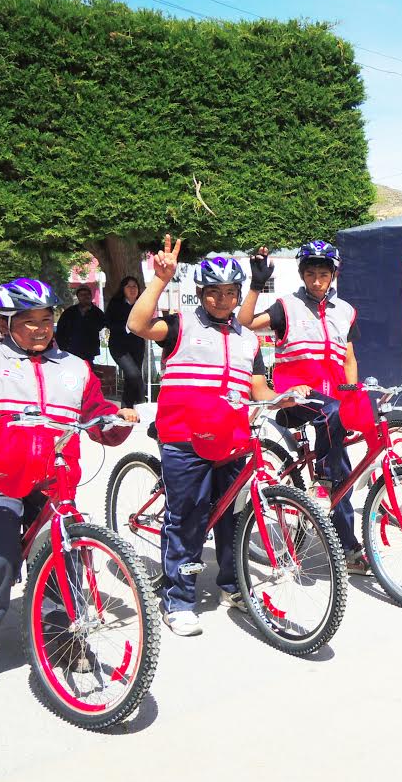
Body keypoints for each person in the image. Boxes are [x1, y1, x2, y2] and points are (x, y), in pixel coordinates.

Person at [0, 240, 137, 655]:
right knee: (0, 551)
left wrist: (116, 421)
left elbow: (97, 415)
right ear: (5, 324)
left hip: (54, 479)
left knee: (64, 553)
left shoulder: (75, 368)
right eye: (28, 321)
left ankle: (63, 635)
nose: (40, 328)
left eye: (46, 319)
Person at [129, 235, 283, 637]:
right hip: (184, 438)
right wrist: (160, 280)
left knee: (233, 517)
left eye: (229, 292)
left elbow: (259, 389)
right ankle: (178, 600)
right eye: (213, 292)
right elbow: (137, 325)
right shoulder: (180, 325)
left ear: (238, 294)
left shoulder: (248, 338)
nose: (222, 299)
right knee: (188, 517)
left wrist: (284, 398)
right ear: (200, 293)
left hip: (231, 440)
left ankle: (234, 586)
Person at [238, 241, 375, 575]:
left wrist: (351, 393)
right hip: (296, 398)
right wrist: (256, 285)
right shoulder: (286, 307)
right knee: (334, 470)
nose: (316, 280)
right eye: (310, 273)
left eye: (323, 274)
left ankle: (345, 544)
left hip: (333, 402)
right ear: (302, 275)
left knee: (344, 464)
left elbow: (349, 358)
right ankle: (325, 488)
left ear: (333, 276)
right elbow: (244, 322)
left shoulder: (345, 311)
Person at [106, 276, 147, 408]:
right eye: (129, 286)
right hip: (119, 347)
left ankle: (126, 409)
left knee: (131, 379)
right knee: (134, 375)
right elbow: (108, 322)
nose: (132, 289)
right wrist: (127, 327)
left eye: (135, 286)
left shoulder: (142, 303)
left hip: (137, 345)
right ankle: (142, 403)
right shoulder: (116, 303)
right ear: (123, 289)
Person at [54, 286, 106, 362]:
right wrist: (62, 346)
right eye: (82, 295)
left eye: (87, 294)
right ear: (78, 297)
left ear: (91, 296)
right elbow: (61, 329)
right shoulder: (69, 312)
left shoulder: (97, 312)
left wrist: (88, 314)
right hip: (70, 350)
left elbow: (101, 325)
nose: (85, 297)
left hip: (88, 351)